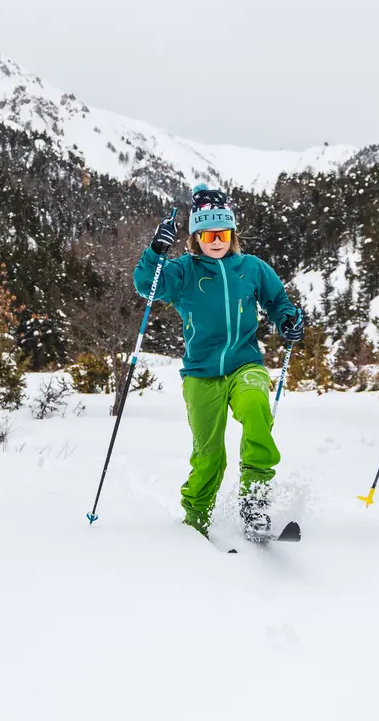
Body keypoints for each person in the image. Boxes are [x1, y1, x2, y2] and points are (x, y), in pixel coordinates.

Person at [134, 185, 303, 541]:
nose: (216, 240)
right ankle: (196, 518)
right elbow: (147, 286)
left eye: (223, 233)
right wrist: (155, 252)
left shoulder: (251, 268)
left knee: (257, 407)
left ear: (232, 233)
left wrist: (288, 320)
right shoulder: (183, 271)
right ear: (196, 236)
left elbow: (278, 302)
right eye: (208, 234)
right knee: (209, 454)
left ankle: (254, 501)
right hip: (201, 372)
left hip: (245, 363)